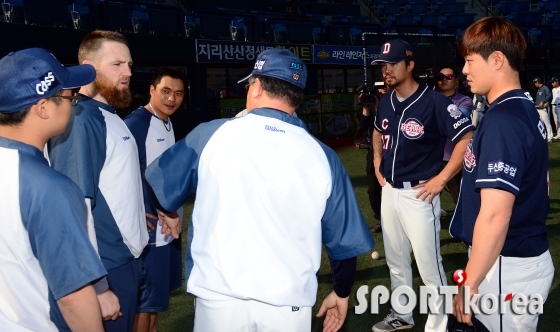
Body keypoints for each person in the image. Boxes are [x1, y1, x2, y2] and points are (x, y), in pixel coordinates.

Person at [145, 48, 375, 332]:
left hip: (218, 299)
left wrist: (169, 212)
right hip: (288, 306)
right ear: (297, 97)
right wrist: (341, 292)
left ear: (256, 86)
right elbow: (343, 246)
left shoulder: (210, 134)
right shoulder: (323, 156)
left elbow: (158, 184)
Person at [451, 16, 555, 331]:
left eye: (469, 61)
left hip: (505, 266)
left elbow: (496, 216)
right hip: (515, 260)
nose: (464, 70)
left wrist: (470, 282)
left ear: (497, 60)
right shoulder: (519, 108)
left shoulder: (503, 120)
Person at [47, 30, 150, 332]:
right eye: (117, 64)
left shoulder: (108, 114)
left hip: (124, 260)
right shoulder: (82, 120)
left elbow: (113, 184)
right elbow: (73, 206)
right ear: (89, 67)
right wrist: (97, 285)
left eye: (130, 64)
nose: (128, 72)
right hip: (105, 267)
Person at [371, 39, 475, 332]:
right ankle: (401, 315)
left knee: (429, 265)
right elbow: (378, 132)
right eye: (383, 65)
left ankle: (440, 324)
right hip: (390, 190)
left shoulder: (435, 102)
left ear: (410, 64)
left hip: (420, 192)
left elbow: (466, 137)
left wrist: (442, 179)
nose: (387, 69)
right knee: (396, 260)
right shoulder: (387, 101)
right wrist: (378, 158)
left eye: (393, 63)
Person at [0, 48, 106, 331]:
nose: (74, 103)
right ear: (43, 107)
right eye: (70, 97)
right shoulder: (49, 189)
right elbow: (73, 296)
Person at [124, 67, 186, 332]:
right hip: (151, 230)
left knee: (156, 302)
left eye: (179, 93)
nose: (172, 98)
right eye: (166, 91)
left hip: (168, 227)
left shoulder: (166, 121)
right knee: (145, 302)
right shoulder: (137, 124)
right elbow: (125, 176)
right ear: (151, 90)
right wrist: (143, 211)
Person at [435, 64, 473, 206]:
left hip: (453, 157)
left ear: (456, 80)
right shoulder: (428, 98)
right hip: (431, 157)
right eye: (440, 77)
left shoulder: (465, 100)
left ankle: (464, 227)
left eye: (449, 77)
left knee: (459, 198)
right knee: (425, 199)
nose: (444, 80)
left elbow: (457, 119)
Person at [359, 79, 387, 233]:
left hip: (391, 149)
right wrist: (366, 106)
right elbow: (365, 125)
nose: (383, 89)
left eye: (385, 86)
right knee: (373, 189)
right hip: (374, 150)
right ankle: (380, 219)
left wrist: (379, 106)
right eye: (380, 87)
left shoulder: (394, 100)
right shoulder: (372, 102)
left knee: (392, 187)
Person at [533, 76, 553, 142]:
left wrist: (543, 101)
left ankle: (550, 137)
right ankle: (543, 136)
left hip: (544, 108)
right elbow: (537, 101)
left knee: (547, 123)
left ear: (538, 82)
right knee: (540, 124)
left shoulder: (545, 88)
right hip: (538, 108)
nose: (535, 84)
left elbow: (550, 95)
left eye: (535, 83)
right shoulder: (539, 89)